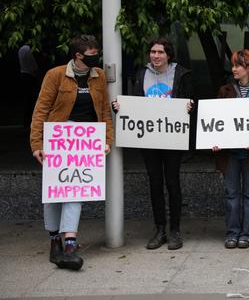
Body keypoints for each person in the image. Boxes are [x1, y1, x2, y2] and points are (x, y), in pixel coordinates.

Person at [30, 34, 113, 270]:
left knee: (75, 190)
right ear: (78, 55)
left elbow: (105, 112)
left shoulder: (99, 77)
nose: (96, 58)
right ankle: (54, 240)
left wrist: (106, 140)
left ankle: (70, 245)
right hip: (58, 141)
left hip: (84, 143)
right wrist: (37, 144)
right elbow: (41, 110)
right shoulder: (55, 75)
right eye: (91, 55)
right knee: (54, 194)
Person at [112, 36, 193, 250]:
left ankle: (175, 230)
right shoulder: (142, 74)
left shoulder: (181, 74)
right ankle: (159, 229)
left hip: (172, 137)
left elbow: (192, 101)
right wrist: (121, 107)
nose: (156, 56)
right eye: (153, 52)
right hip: (149, 138)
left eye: (160, 52)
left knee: (173, 183)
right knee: (154, 183)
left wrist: (190, 107)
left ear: (169, 55)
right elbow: (135, 101)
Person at [212, 50, 249, 249]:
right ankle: (232, 233)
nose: (233, 69)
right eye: (233, 65)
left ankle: (247, 233)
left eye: (238, 65)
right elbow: (215, 121)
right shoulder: (225, 91)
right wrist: (213, 139)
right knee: (231, 194)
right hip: (230, 153)